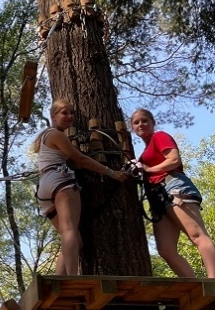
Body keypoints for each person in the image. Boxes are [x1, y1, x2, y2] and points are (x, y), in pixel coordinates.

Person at [34, 99, 129, 275]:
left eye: (72, 113)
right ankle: (73, 280)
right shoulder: (56, 134)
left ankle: (58, 281)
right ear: (53, 116)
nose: (70, 116)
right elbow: (81, 159)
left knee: (74, 240)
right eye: (64, 113)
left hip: (44, 188)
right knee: (69, 230)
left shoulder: (46, 137)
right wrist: (111, 173)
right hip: (60, 181)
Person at [130, 108, 215, 278]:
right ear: (132, 128)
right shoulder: (143, 154)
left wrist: (148, 169)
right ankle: (195, 287)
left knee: (197, 235)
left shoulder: (159, 136)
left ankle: (213, 281)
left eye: (145, 120)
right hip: (158, 199)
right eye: (136, 122)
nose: (141, 124)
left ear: (153, 123)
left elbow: (174, 160)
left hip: (173, 188)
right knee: (165, 249)